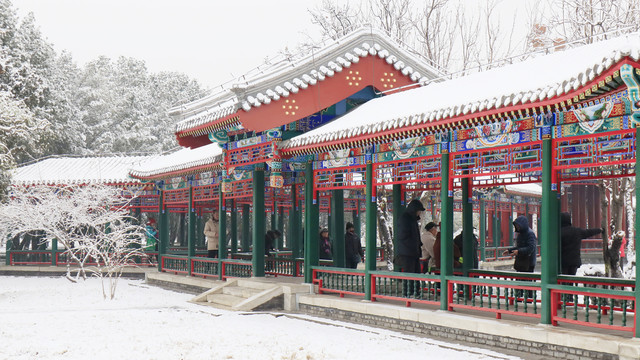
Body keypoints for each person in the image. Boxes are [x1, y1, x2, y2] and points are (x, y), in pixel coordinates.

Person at [395, 199, 425, 273]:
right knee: (410, 275)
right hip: (408, 253)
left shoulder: (412, 219)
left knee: (415, 274)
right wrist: (414, 244)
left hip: (413, 252)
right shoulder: (405, 219)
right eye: (419, 211)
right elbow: (403, 235)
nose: (419, 213)